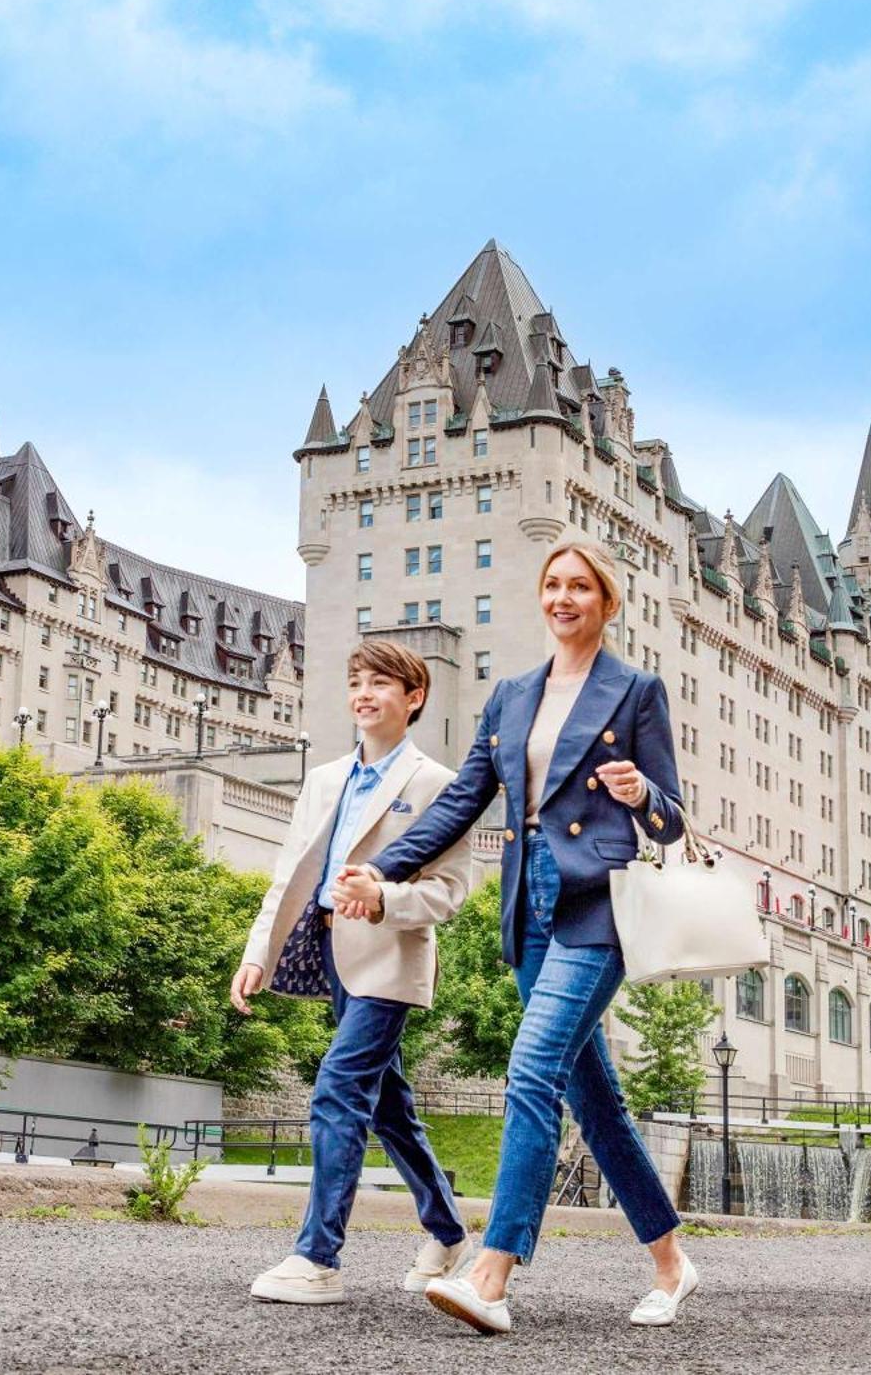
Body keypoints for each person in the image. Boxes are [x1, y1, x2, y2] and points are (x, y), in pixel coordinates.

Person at [333, 538, 697, 1335]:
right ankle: (671, 1261)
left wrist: (641, 794)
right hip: (526, 904)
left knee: (530, 1070)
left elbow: (672, 823)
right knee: (592, 1100)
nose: (564, 598)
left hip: (597, 903)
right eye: (553, 585)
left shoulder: (636, 691)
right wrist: (384, 872)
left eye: (581, 587)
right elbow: (462, 799)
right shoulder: (510, 695)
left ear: (606, 601)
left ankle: (492, 1273)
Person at [231, 639, 477, 1306]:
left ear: (414, 698)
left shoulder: (436, 785)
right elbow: (288, 877)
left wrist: (386, 898)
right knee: (391, 1108)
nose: (363, 694)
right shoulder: (323, 779)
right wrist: (259, 953)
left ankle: (317, 1258)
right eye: (355, 683)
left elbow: (452, 890)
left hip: (389, 962)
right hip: (330, 956)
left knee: (338, 1091)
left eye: (380, 684)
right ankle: (448, 1229)